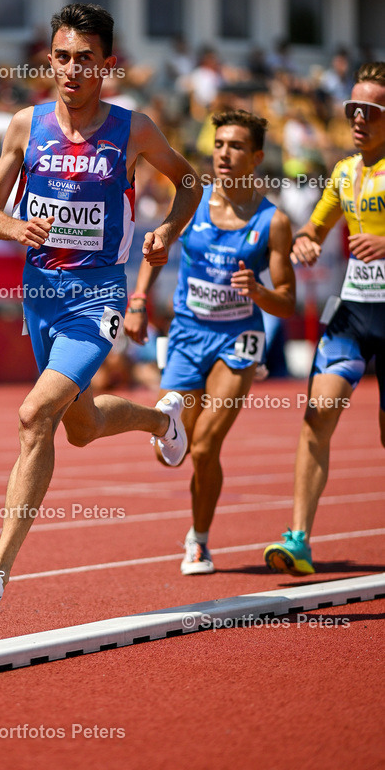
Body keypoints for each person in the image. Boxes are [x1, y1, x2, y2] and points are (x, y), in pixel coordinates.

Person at [0, 2, 201, 612]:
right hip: (40, 295)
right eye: (62, 57)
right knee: (81, 427)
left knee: (34, 415)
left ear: (106, 65)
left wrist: (168, 230)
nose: (71, 69)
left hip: (97, 297)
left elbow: (190, 182)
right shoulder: (25, 125)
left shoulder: (134, 129)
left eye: (85, 59)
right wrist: (15, 228)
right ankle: (161, 422)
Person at [125, 110, 295, 574]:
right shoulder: (192, 201)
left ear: (256, 157)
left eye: (236, 146)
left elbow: (287, 302)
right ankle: (167, 428)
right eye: (219, 144)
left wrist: (258, 292)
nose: (224, 153)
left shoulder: (273, 221)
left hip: (238, 338)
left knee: (204, 447)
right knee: (169, 456)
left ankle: (198, 542)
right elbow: (157, 248)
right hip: (186, 333)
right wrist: (138, 300)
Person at [264, 63, 385, 575]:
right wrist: (307, 243)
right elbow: (312, 229)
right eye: (352, 108)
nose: (357, 118)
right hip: (353, 313)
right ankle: (299, 541)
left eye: (370, 110)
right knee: (317, 415)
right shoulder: (343, 172)